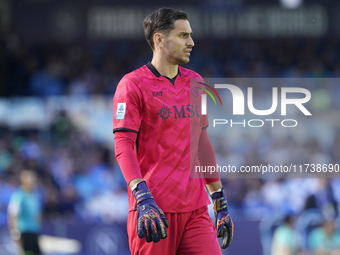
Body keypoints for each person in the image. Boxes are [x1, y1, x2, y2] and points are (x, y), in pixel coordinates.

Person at [113, 7, 234, 255]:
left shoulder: (195, 82)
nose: (191, 42)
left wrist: (219, 199)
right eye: (182, 36)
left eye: (189, 35)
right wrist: (141, 194)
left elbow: (202, 145)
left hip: (196, 210)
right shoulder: (132, 85)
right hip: (154, 209)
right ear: (159, 39)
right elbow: (123, 143)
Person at [7, 170, 42, 255]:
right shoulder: (19, 195)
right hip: (24, 232)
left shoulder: (33, 196)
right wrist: (15, 233)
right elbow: (12, 214)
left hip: (34, 231)